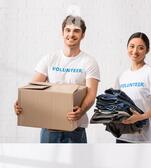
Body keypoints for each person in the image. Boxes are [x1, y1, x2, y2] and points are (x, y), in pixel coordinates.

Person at [14, 15, 100, 143]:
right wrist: (21, 101)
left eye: (76, 30)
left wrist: (81, 111)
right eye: (68, 30)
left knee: (79, 163)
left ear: (83, 35)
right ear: (62, 32)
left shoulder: (89, 62)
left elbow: (91, 94)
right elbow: (33, 87)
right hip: (49, 127)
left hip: (75, 128)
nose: (71, 34)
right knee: (47, 163)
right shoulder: (49, 59)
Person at [114, 32, 151, 143]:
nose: (135, 51)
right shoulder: (122, 76)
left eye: (140, 48)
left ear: (147, 50)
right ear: (127, 48)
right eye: (131, 46)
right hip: (122, 136)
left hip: (144, 138)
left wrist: (141, 117)